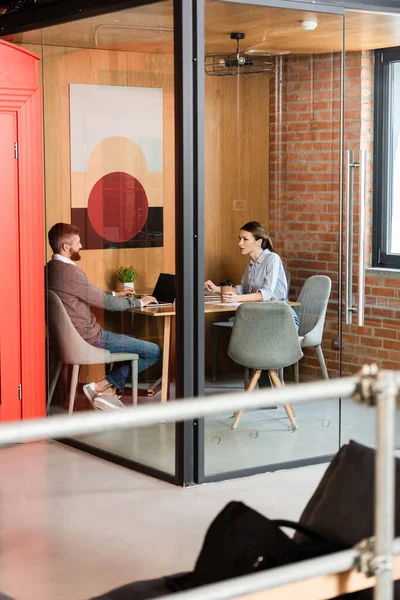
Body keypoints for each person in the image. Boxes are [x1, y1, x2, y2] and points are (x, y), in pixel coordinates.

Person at [45, 223, 161, 411]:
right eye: (78, 242)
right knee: (154, 351)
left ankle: (108, 392)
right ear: (66, 247)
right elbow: (107, 305)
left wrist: (116, 294)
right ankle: (100, 387)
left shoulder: (50, 269)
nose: (81, 245)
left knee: (130, 341)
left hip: (67, 340)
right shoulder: (72, 273)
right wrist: (139, 302)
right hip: (91, 338)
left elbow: (88, 295)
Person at [204, 221, 298, 388]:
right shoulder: (251, 262)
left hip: (281, 319)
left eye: (245, 239)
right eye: (239, 238)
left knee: (247, 333)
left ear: (258, 241)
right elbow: (243, 289)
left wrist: (237, 299)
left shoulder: (272, 259)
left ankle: (269, 388)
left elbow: (266, 294)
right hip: (260, 317)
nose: (240, 243)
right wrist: (218, 289)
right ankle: (264, 388)